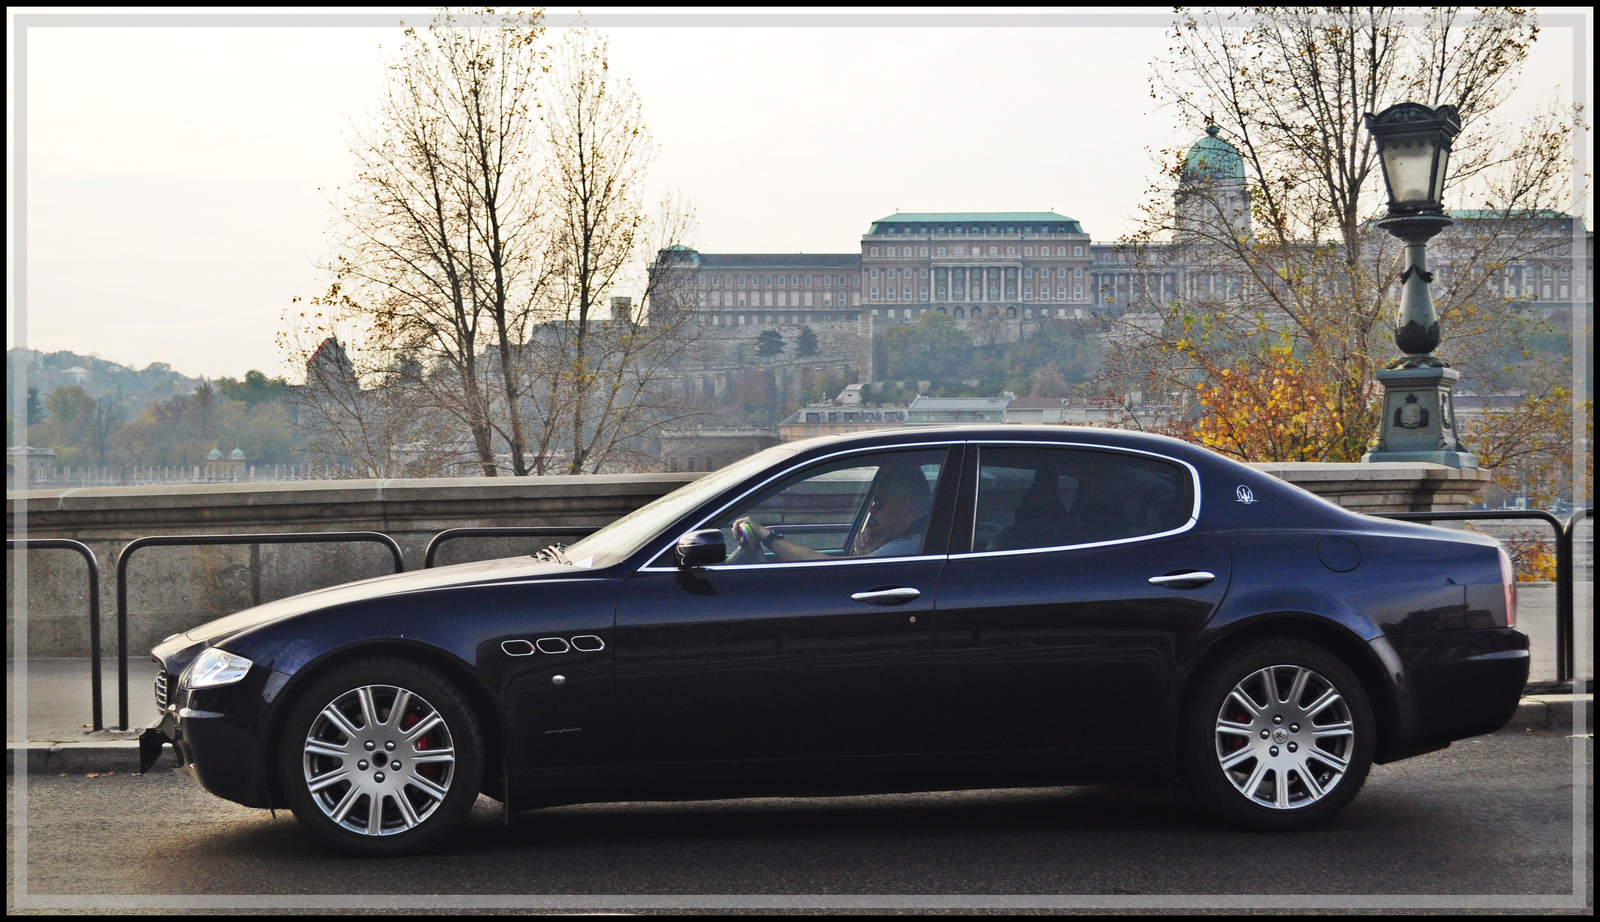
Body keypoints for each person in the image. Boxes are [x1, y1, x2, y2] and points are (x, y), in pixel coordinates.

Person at [733, 464, 932, 562]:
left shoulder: (911, 544)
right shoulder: (923, 536)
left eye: (878, 503)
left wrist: (767, 536)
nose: (872, 509)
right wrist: (866, 558)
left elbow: (824, 566)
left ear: (904, 506)